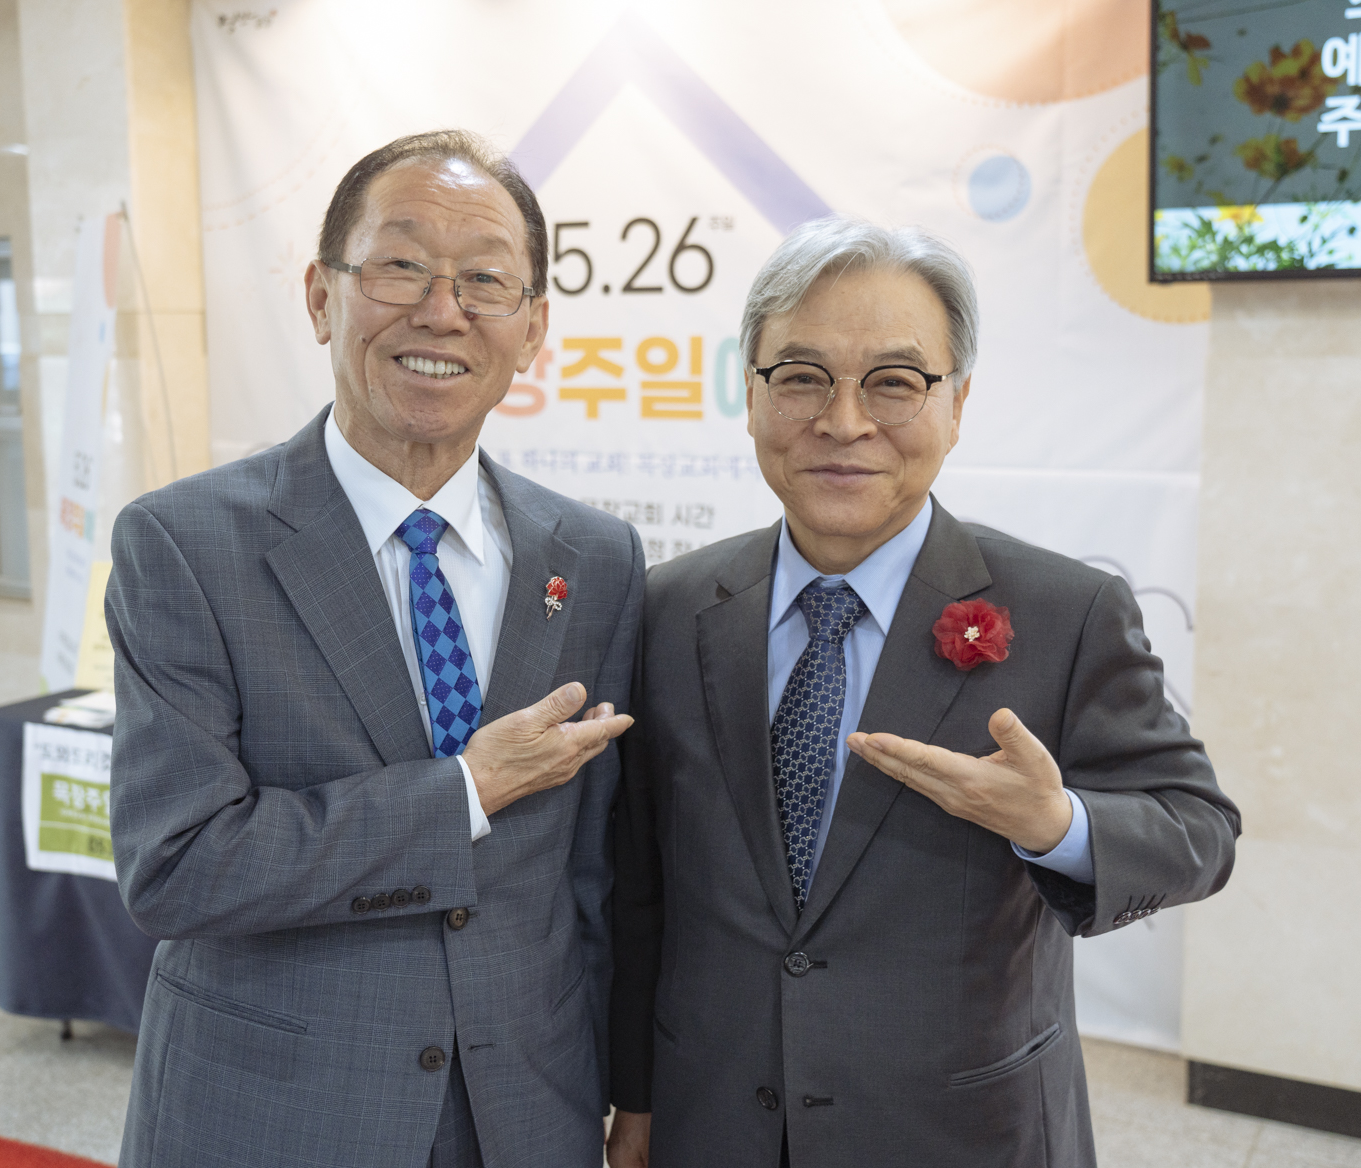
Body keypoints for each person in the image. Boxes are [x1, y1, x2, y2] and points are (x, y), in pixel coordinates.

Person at [603, 216, 1239, 1168]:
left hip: (960, 1129)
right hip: (718, 1118)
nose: (843, 422)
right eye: (802, 376)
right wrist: (639, 1098)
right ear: (751, 391)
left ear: (957, 402)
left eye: (894, 382)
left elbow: (1199, 829)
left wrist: (1057, 824)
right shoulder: (671, 606)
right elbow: (642, 888)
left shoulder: (1065, 612)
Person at [106, 130, 644, 1168]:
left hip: (529, 1109)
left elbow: (592, 877)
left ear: (532, 328)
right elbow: (176, 868)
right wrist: (463, 793)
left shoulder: (596, 558)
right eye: (401, 266)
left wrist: (628, 1089)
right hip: (278, 1113)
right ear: (321, 297)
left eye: (484, 279)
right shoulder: (185, 544)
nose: (442, 311)